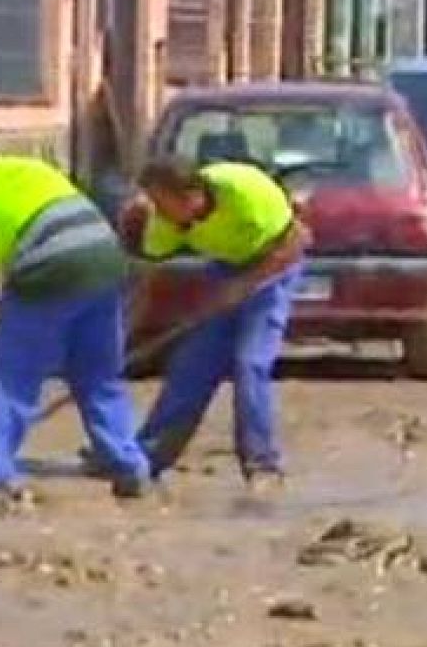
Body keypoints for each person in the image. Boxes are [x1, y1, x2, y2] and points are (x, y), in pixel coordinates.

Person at [0, 143, 151, 506]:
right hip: (104, 253)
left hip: (49, 265)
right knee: (98, 376)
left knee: (11, 377)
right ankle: (130, 468)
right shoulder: (25, 167)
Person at [127, 154, 309, 490]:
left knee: (249, 363)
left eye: (163, 203)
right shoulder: (166, 223)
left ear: (192, 195)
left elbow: (296, 241)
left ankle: (262, 464)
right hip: (225, 270)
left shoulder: (244, 193)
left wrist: (243, 287)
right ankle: (147, 458)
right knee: (192, 365)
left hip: (274, 267)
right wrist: (132, 330)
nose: (160, 213)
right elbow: (150, 277)